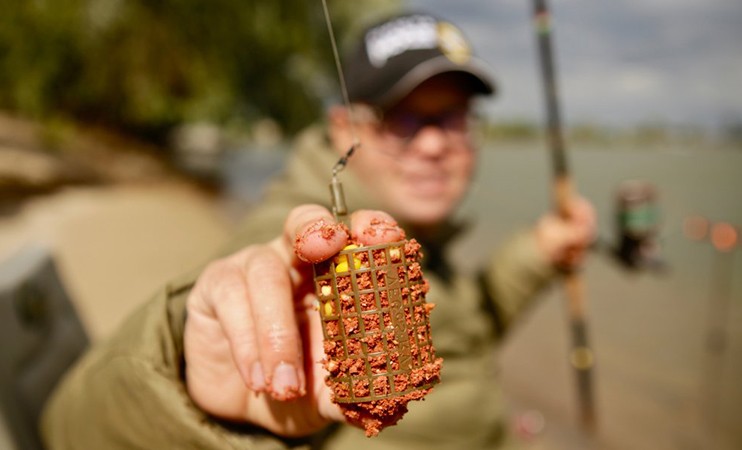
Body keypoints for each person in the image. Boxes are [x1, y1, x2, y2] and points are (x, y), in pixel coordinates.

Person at [41, 11, 596, 450]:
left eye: (451, 119)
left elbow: (462, 329)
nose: (433, 146)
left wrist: (536, 254)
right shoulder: (301, 243)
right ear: (343, 129)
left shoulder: (415, 232)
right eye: (403, 119)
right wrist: (185, 378)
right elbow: (73, 430)